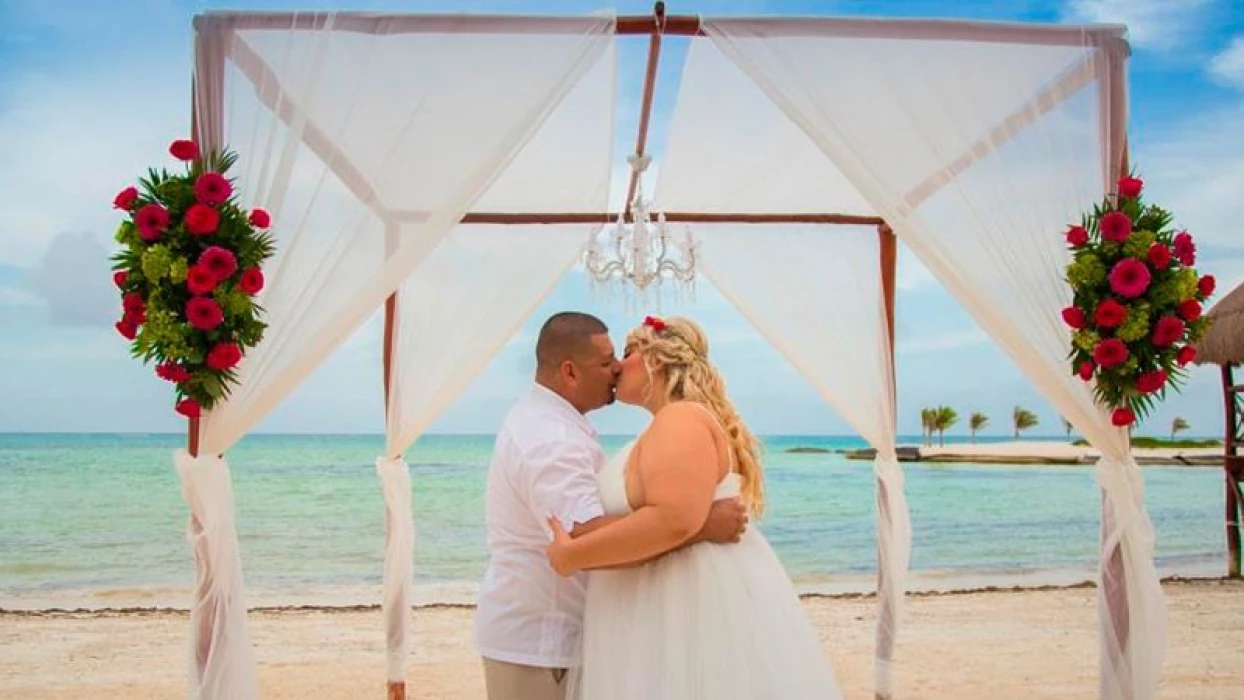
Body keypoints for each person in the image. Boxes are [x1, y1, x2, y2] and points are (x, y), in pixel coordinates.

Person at [546, 315, 843, 700]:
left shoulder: (681, 419)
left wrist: (573, 555)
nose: (618, 365)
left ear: (655, 360)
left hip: (682, 606)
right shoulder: (667, 425)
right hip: (653, 608)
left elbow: (673, 520)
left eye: (628, 353)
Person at [474, 311, 748, 700]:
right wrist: (700, 525)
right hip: (543, 648)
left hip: (561, 643)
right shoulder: (551, 438)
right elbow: (583, 539)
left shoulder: (560, 425)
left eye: (620, 356)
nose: (617, 367)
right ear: (569, 372)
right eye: (605, 362)